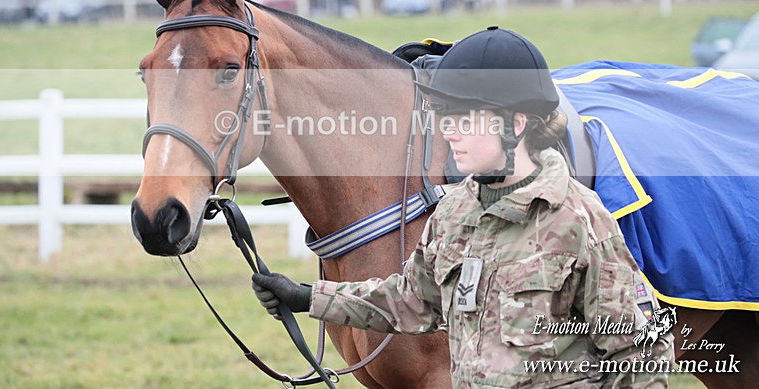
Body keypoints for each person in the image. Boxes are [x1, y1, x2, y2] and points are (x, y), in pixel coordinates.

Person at [252, 27, 674, 387]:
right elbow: (411, 301)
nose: (448, 132)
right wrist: (308, 297)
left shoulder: (579, 219)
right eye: (444, 116)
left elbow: (643, 352)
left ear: (516, 124)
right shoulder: (454, 215)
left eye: (465, 119)